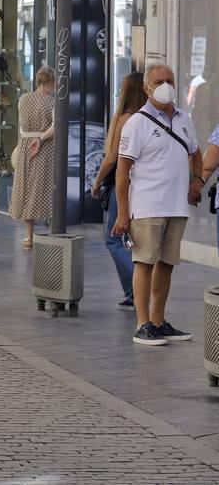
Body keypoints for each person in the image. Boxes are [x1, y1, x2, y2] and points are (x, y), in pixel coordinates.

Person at [112, 63, 203, 346]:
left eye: (169, 80)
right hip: (147, 207)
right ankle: (143, 323)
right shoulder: (136, 123)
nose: (166, 85)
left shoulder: (184, 118)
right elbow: (122, 171)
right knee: (144, 263)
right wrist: (123, 213)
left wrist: (197, 181)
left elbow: (196, 152)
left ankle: (159, 320)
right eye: (159, 81)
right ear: (146, 88)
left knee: (166, 264)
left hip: (176, 206)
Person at [91, 72, 145, 309]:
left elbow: (112, 158)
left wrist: (96, 181)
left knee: (112, 238)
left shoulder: (125, 119)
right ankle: (132, 292)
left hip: (123, 184)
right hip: (143, 185)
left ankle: (141, 287)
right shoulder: (148, 118)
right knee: (127, 239)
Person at [8, 66, 55, 249]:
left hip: (25, 147)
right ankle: (51, 230)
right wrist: (40, 138)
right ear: (50, 83)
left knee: (25, 188)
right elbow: (55, 127)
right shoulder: (51, 103)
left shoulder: (24, 99)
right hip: (43, 148)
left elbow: (21, 126)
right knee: (40, 188)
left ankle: (29, 237)